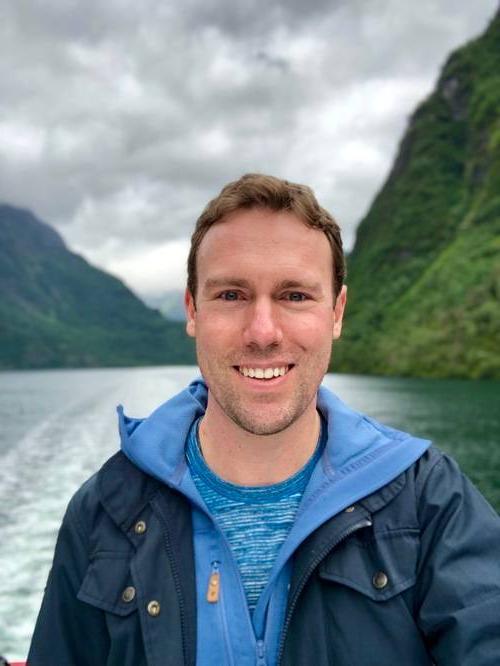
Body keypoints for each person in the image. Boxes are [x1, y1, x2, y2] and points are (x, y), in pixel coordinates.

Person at [28, 174, 500, 665]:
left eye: (295, 296)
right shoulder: (105, 510)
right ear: (192, 310)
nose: (262, 332)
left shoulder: (429, 500)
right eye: (231, 295)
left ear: (336, 312)